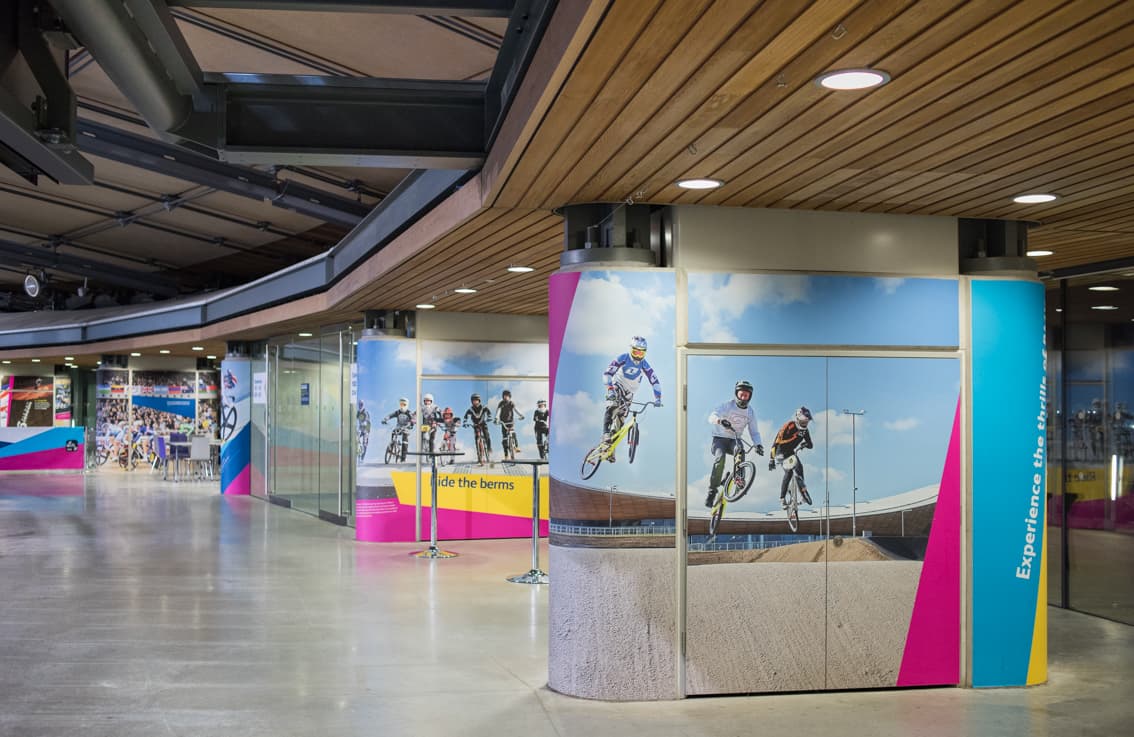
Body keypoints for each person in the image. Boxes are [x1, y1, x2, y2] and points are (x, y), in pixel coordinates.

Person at [601, 335, 662, 462]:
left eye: (641, 353)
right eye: (635, 352)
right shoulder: (623, 358)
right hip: (617, 386)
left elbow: (654, 381)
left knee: (620, 423)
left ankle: (610, 450)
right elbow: (607, 373)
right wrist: (610, 389)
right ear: (631, 350)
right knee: (612, 405)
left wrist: (658, 398)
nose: (638, 356)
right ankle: (605, 433)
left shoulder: (645, 364)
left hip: (629, 394)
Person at [705, 380, 764, 507]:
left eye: (746, 396)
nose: (743, 398)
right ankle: (712, 491)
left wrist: (758, 444)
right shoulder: (727, 405)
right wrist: (720, 421)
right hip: (719, 439)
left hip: (734, 440)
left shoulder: (750, 413)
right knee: (720, 459)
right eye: (741, 395)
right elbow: (712, 416)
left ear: (750, 397)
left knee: (740, 450)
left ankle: (738, 478)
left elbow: (754, 432)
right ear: (736, 394)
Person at [769, 406, 814, 507]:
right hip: (780, 452)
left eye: (807, 421)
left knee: (799, 467)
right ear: (797, 418)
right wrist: (771, 459)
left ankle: (803, 494)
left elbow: (811, 445)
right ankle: (782, 499)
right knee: (789, 472)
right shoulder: (789, 426)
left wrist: (805, 444)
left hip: (790, 452)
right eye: (803, 421)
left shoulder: (805, 431)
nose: (805, 423)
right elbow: (775, 442)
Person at [463, 393, 494, 462]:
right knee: (477, 438)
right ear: (472, 401)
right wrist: (465, 422)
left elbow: (488, 412)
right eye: (473, 400)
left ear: (479, 400)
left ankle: (489, 448)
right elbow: (466, 416)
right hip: (475, 425)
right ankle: (479, 456)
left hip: (483, 423)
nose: (475, 402)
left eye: (476, 400)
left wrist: (489, 417)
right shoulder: (470, 409)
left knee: (486, 435)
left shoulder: (483, 407)